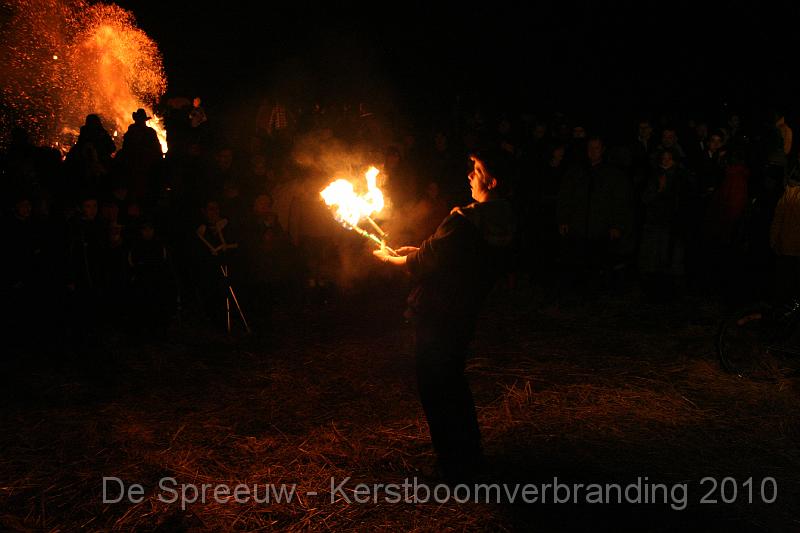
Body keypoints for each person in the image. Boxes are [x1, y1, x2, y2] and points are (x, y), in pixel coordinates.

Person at [373, 149, 515, 482]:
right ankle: (469, 454)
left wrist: (391, 260)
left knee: (436, 388)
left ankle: (451, 465)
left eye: (477, 170)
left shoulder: (464, 220)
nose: (469, 175)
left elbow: (423, 264)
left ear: (492, 181)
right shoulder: (504, 219)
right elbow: (447, 257)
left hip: (438, 313)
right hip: (465, 312)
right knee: (454, 382)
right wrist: (420, 251)